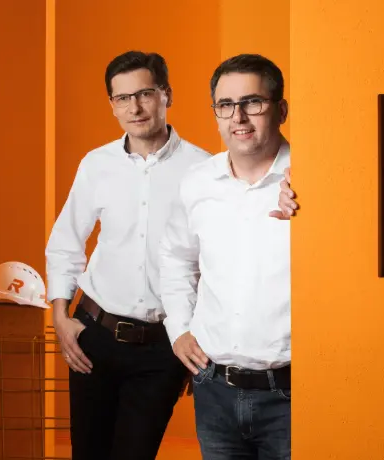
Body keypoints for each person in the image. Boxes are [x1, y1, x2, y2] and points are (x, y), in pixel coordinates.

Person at [45, 50, 211, 460]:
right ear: (112, 105)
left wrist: (198, 337)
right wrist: (60, 318)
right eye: (122, 98)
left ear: (166, 94)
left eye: (144, 94)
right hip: (94, 335)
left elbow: (214, 262)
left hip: (162, 347)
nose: (134, 108)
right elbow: (66, 241)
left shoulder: (204, 170)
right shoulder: (96, 164)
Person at [160, 54, 292, 459]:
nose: (239, 117)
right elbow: (176, 259)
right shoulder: (198, 182)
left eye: (253, 102)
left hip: (292, 394)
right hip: (214, 391)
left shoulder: (311, 181)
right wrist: (179, 329)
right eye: (226, 105)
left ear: (281, 110)